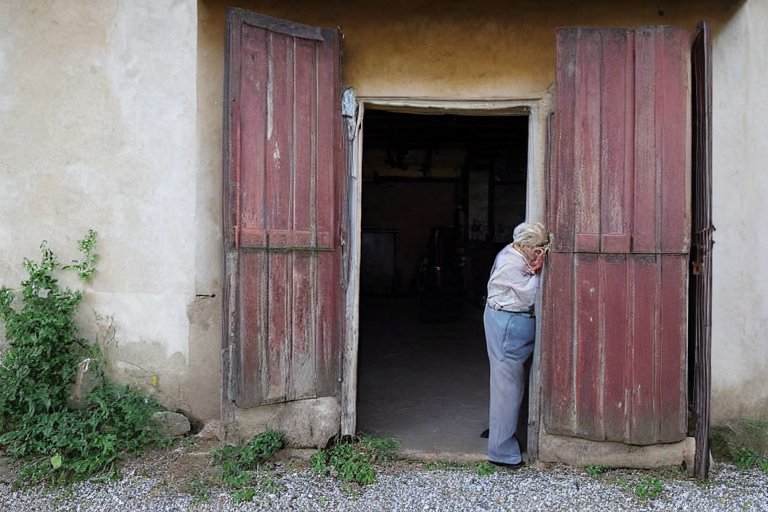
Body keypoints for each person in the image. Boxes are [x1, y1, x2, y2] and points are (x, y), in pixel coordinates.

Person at [484, 221, 549, 468]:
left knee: (505, 385)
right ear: (524, 245)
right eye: (537, 248)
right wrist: (540, 273)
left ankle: (501, 434)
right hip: (508, 324)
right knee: (507, 388)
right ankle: (501, 451)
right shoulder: (511, 262)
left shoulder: (513, 253)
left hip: (503, 322)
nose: (540, 252)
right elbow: (531, 295)